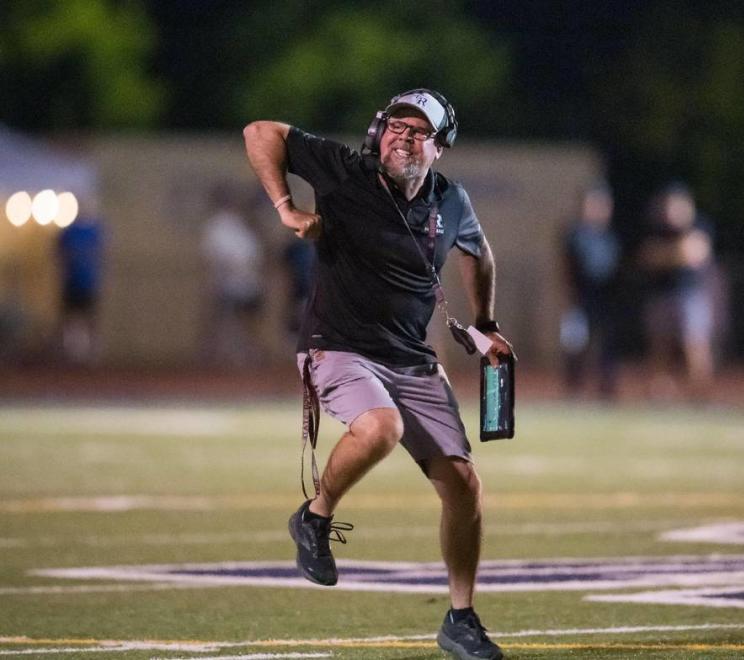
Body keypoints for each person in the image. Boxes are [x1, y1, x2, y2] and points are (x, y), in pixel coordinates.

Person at [243, 88, 511, 660]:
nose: (403, 138)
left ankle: (460, 617)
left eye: (418, 132)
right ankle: (314, 518)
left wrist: (485, 322)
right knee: (380, 427)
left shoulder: (451, 200)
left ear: (440, 148)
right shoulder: (346, 173)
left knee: (464, 486)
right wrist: (286, 207)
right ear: (378, 131)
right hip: (337, 345)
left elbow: (480, 252)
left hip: (412, 356)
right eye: (395, 127)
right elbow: (260, 131)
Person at [637, 183, 716, 398]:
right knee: (659, 348)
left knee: (695, 346)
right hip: (661, 296)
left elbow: (695, 254)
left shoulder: (700, 224)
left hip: (690, 296)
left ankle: (701, 397)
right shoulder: (655, 227)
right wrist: (677, 253)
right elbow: (648, 257)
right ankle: (658, 396)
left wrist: (667, 255)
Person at [561, 182, 621, 399]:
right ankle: (574, 389)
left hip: (606, 300)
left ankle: (607, 388)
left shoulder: (612, 235)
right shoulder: (574, 234)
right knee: (575, 344)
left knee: (606, 343)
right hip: (580, 298)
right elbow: (566, 268)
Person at [199, 185, 266, 367]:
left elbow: (253, 255)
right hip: (228, 284)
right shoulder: (217, 226)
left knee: (244, 324)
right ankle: (218, 358)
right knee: (224, 324)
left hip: (248, 283)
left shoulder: (241, 224)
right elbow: (216, 258)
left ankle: (244, 355)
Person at [57, 202, 105, 364]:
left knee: (90, 320)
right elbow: (59, 256)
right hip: (71, 283)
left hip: (88, 283)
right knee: (69, 321)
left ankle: (92, 356)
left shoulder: (94, 231)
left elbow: (102, 255)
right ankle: (68, 354)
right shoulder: (68, 231)